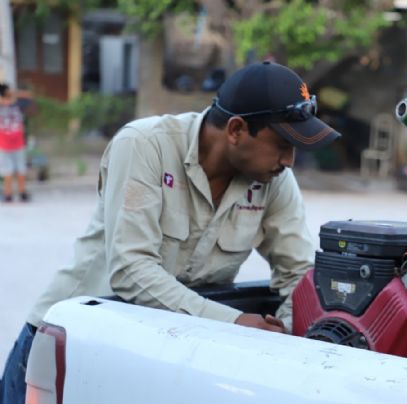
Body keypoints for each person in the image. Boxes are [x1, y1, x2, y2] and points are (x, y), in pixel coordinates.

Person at [0, 61, 340, 403]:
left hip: (166, 352)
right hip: (70, 343)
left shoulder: (275, 180)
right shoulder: (145, 146)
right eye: (282, 144)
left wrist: (285, 336)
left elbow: (298, 273)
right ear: (236, 130)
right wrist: (234, 324)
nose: (290, 160)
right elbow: (132, 270)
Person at [0, 83, 32, 202]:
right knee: (6, 170)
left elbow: (29, 96)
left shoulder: (17, 105)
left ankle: (22, 192)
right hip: (4, 145)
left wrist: (12, 93)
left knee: (21, 169)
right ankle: (8, 194)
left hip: (18, 144)